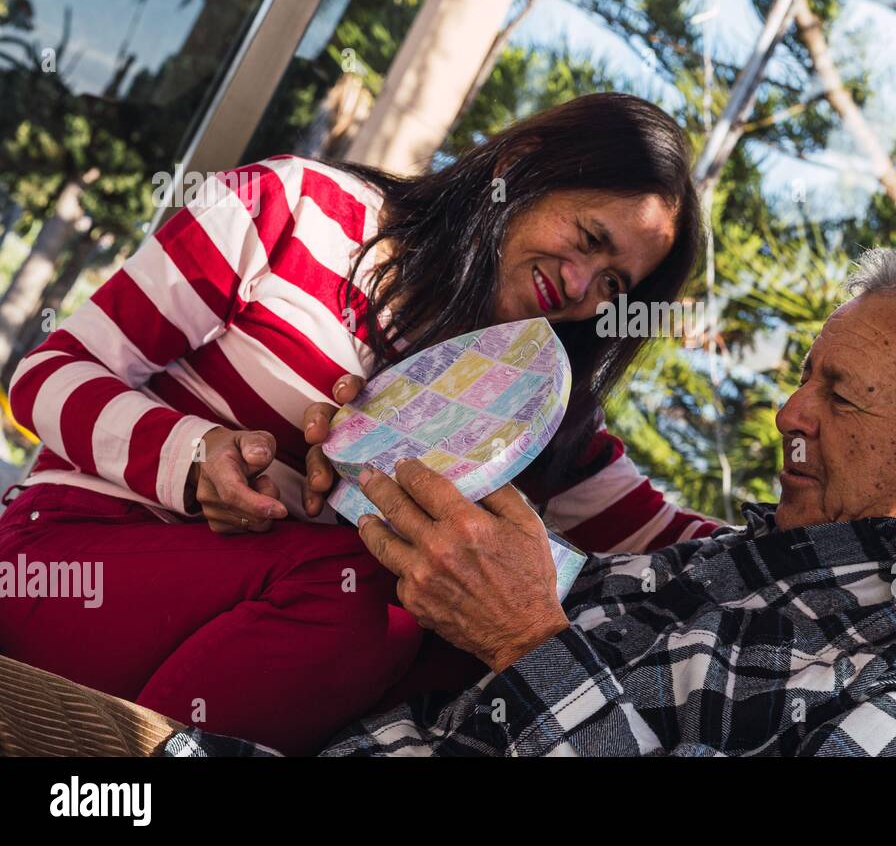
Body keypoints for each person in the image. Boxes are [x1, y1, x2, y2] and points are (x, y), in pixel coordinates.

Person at [0, 93, 713, 755]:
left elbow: (690, 550)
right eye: (588, 237)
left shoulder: (542, 415)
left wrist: (823, 525)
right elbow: (45, 375)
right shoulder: (292, 207)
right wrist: (192, 456)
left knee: (454, 633)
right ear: (518, 166)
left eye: (616, 284)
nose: (583, 286)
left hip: (227, 658)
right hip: (61, 564)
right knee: (377, 593)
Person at [166, 246, 896, 757]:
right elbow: (531, 582)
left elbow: (533, 623)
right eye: (804, 379)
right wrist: (387, 469)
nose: (790, 413)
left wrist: (529, 645)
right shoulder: (728, 560)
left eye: (842, 395)